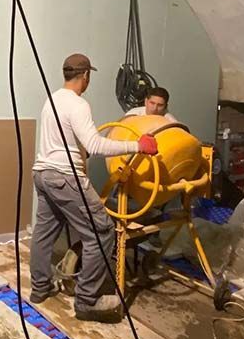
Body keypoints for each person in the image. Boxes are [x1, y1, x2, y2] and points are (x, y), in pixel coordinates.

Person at [30, 53, 158, 323]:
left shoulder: (52, 98)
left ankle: (40, 289)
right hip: (66, 178)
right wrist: (139, 146)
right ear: (85, 76)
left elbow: (63, 138)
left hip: (43, 174)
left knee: (44, 233)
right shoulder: (78, 104)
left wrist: (78, 150)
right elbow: (97, 145)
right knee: (101, 231)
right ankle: (87, 302)